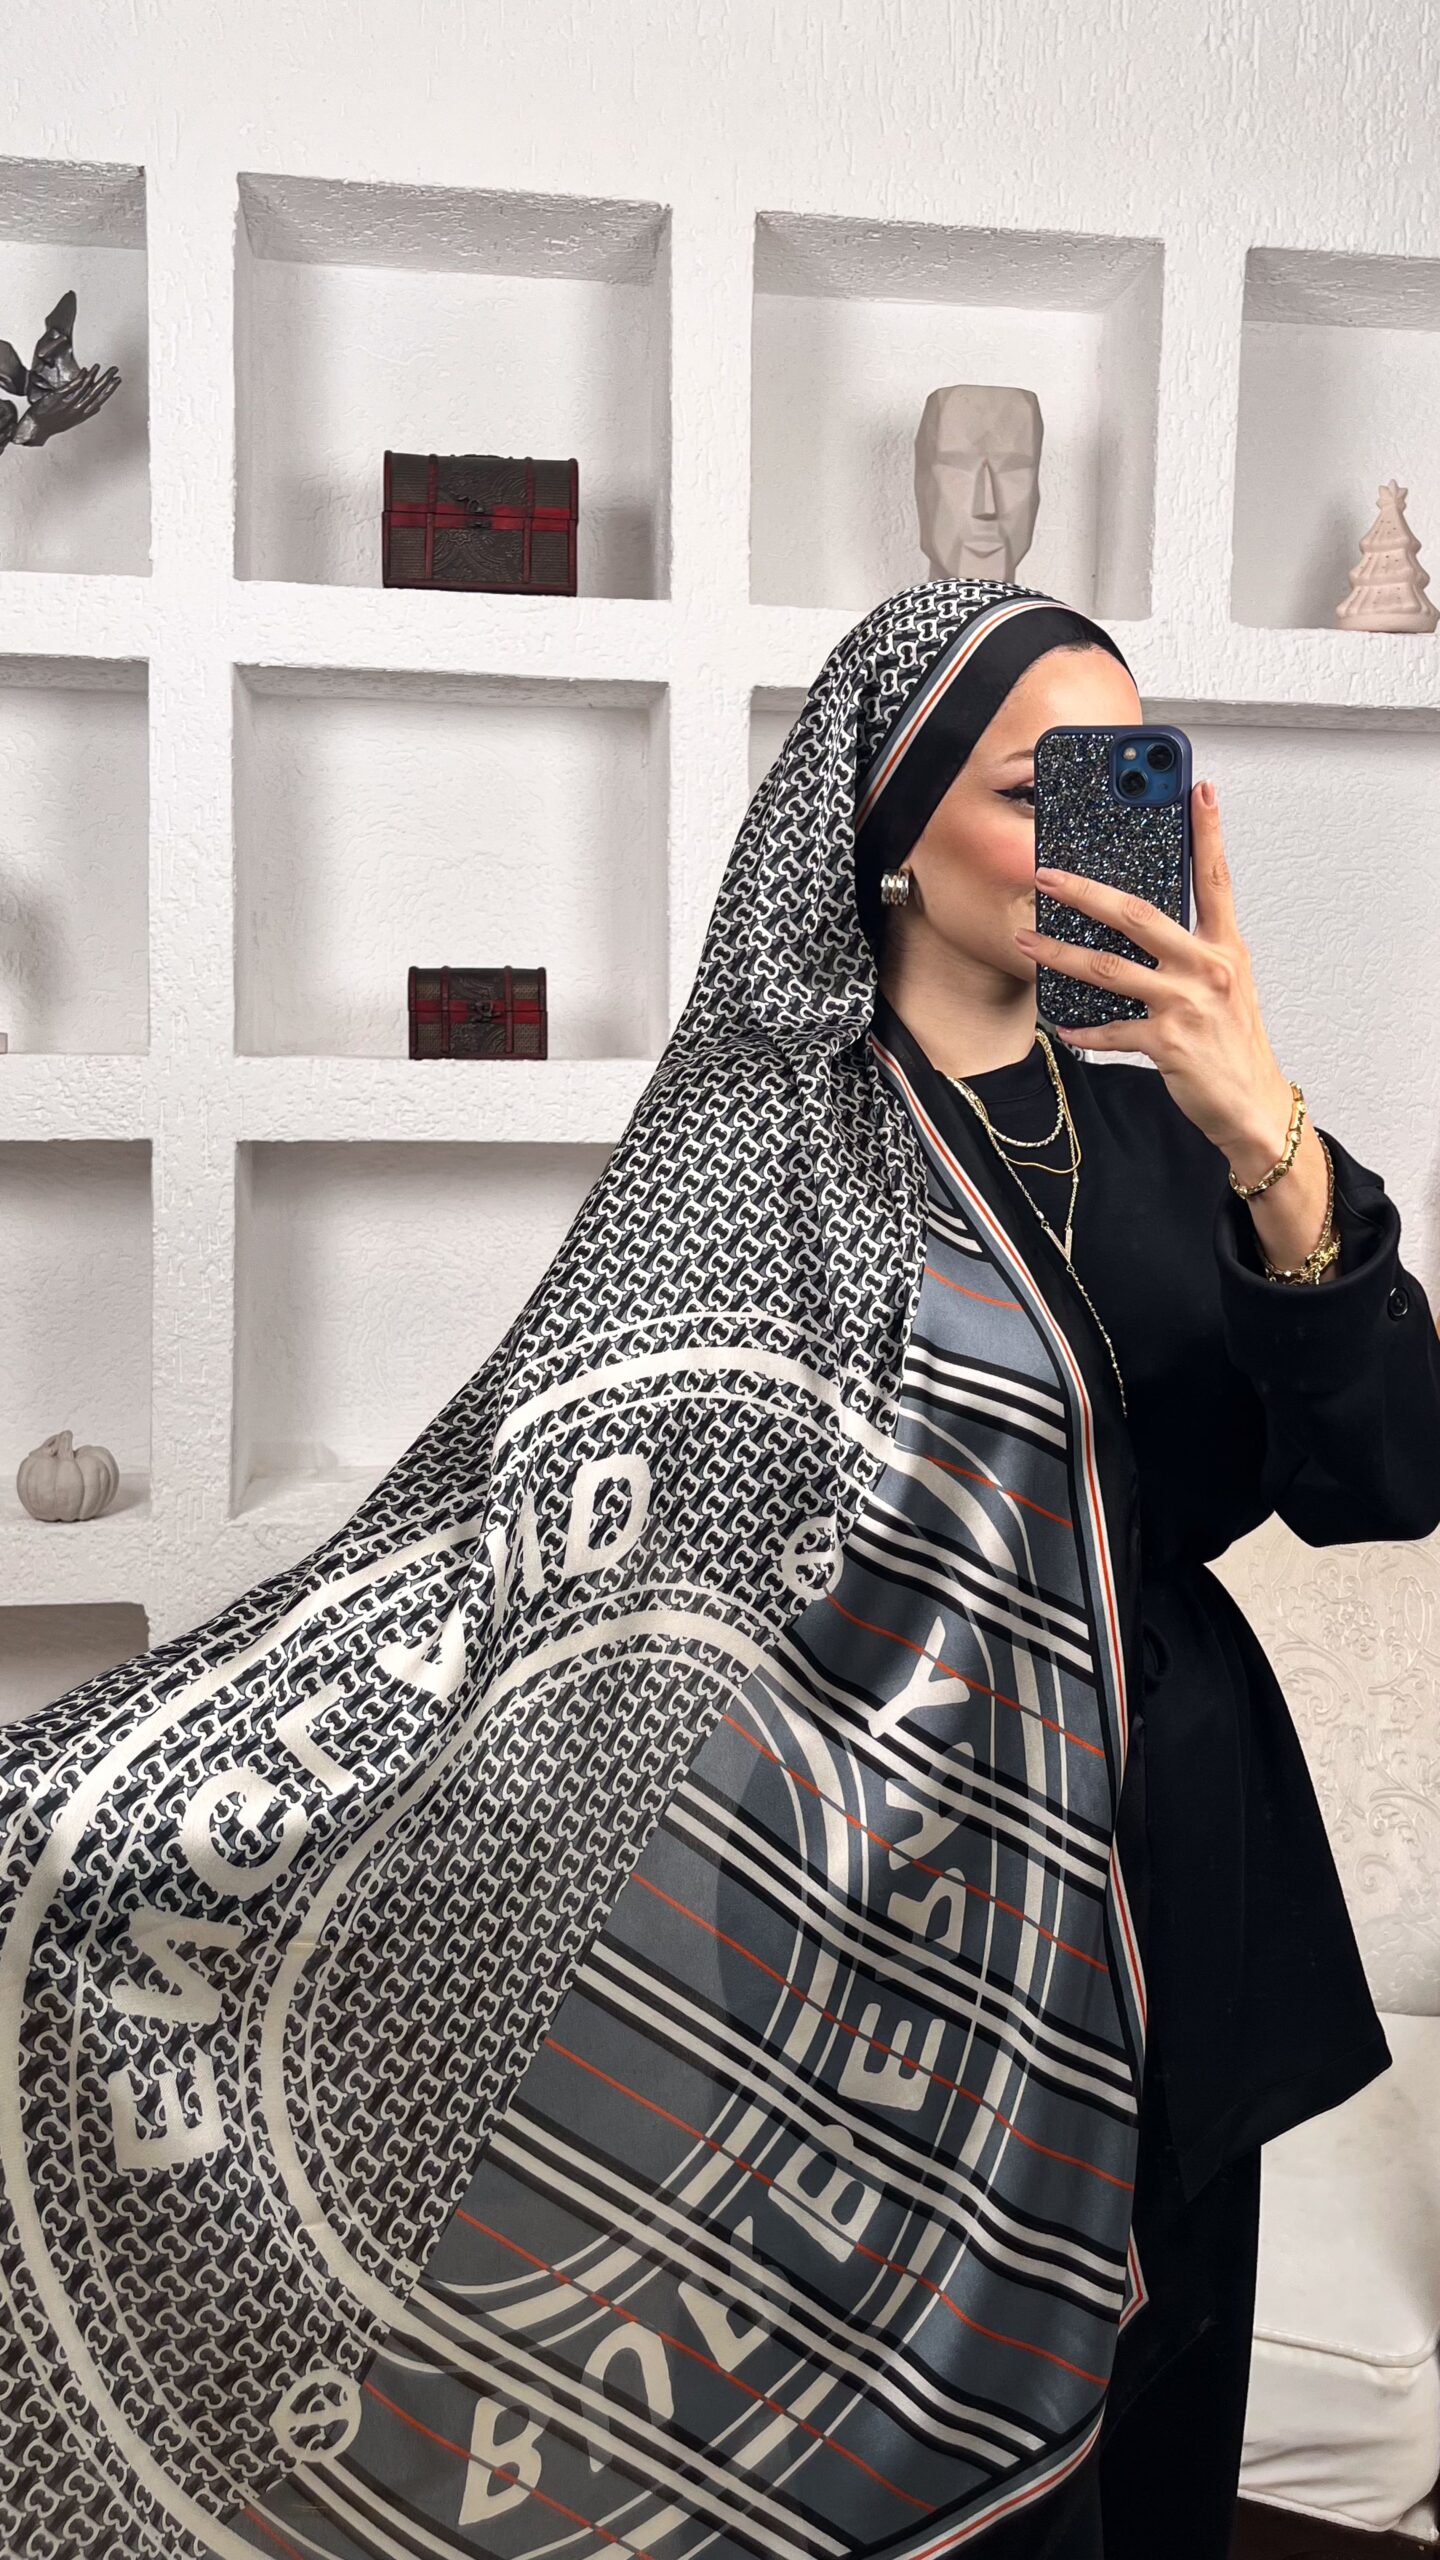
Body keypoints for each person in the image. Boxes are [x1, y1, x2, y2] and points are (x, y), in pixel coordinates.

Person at [2, 579, 1438, 2560]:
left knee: (1153, 2460)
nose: (1096, 830)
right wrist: (122, 1802)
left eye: (1131, 775)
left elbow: (1387, 1479)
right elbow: (549, 1528)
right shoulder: (748, 1150)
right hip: (855, 1922)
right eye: (1036, 786)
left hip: (1170, 1887)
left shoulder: (1199, 1133)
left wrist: (1264, 1117)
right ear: (893, 831)